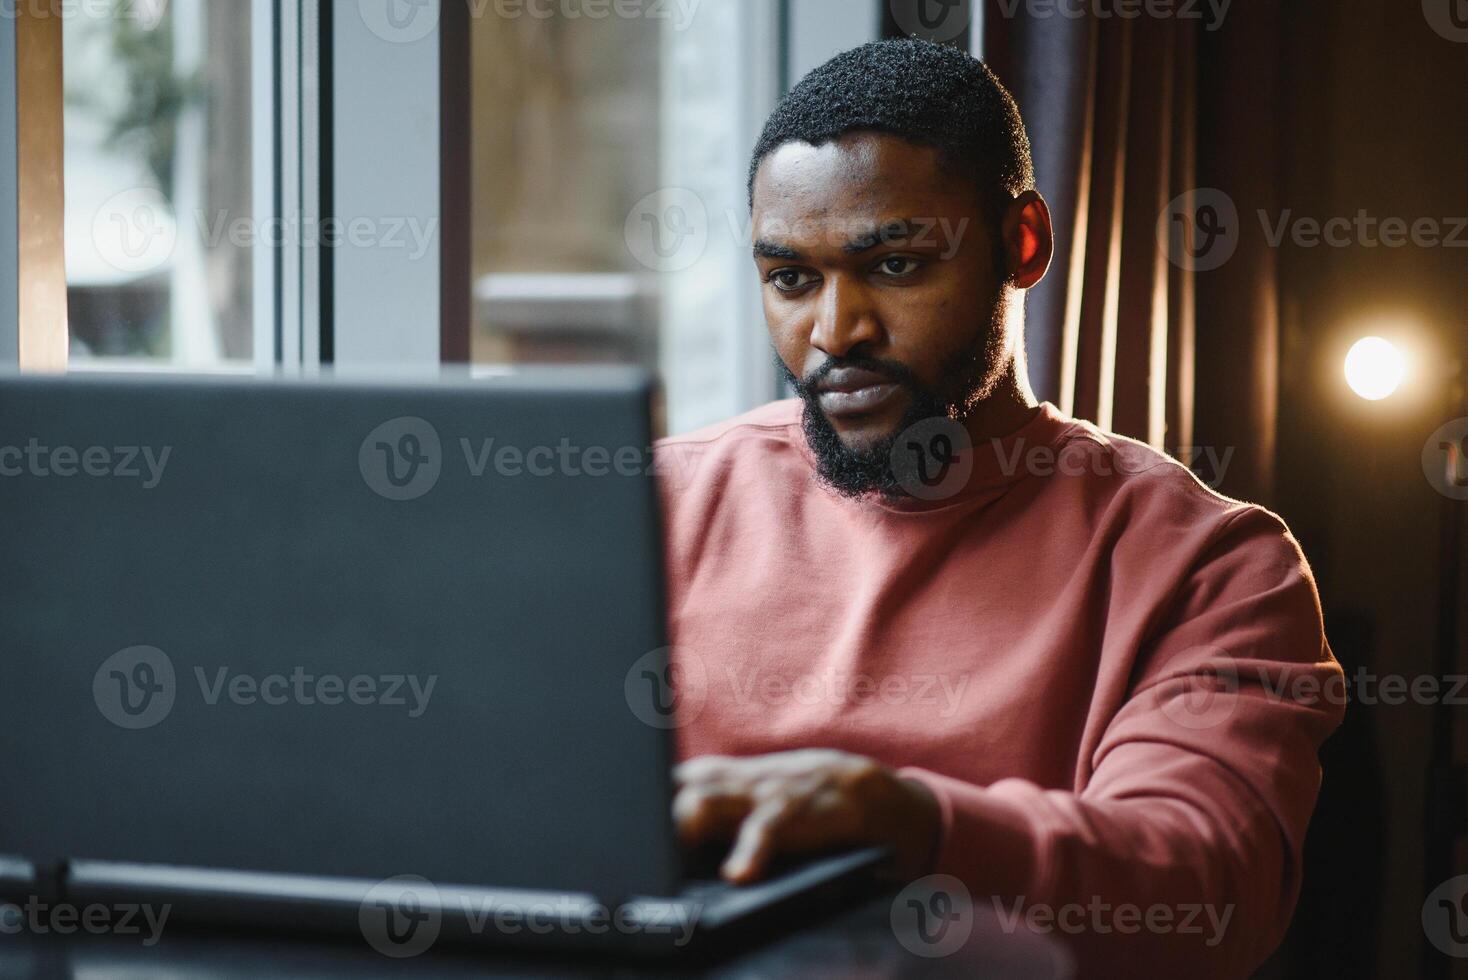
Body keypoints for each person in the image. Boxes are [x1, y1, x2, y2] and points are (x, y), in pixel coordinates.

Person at [656, 38, 1344, 975]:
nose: (833, 332)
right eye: (791, 278)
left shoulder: (1212, 565)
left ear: (1022, 243)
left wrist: (914, 824)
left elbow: (1207, 887)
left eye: (895, 266)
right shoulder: (658, 506)